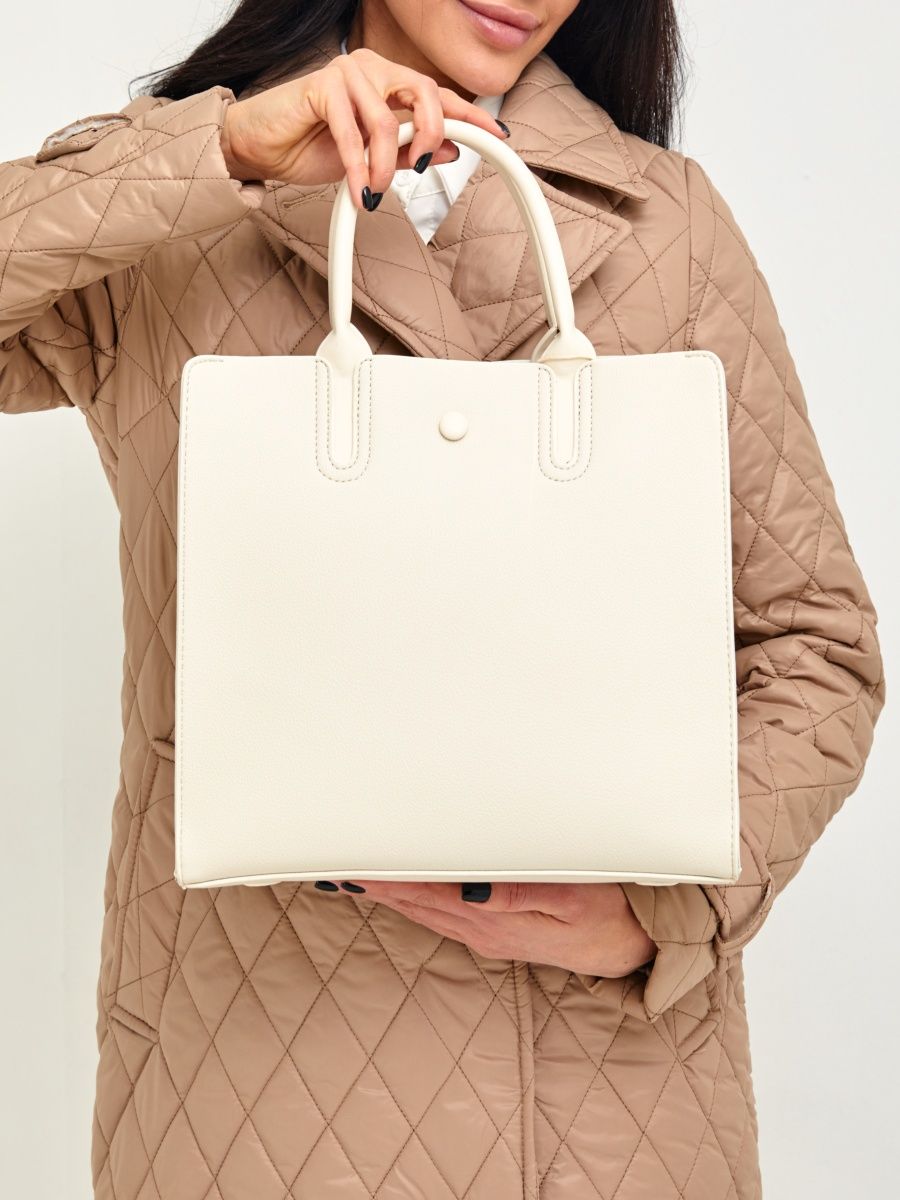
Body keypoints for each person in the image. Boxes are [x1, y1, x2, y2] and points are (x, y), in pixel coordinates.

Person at [0, 2, 885, 1197]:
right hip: (244, 1077)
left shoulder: (666, 225)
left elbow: (815, 642)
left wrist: (672, 913)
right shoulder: (179, 214)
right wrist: (223, 151)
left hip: (602, 1100)